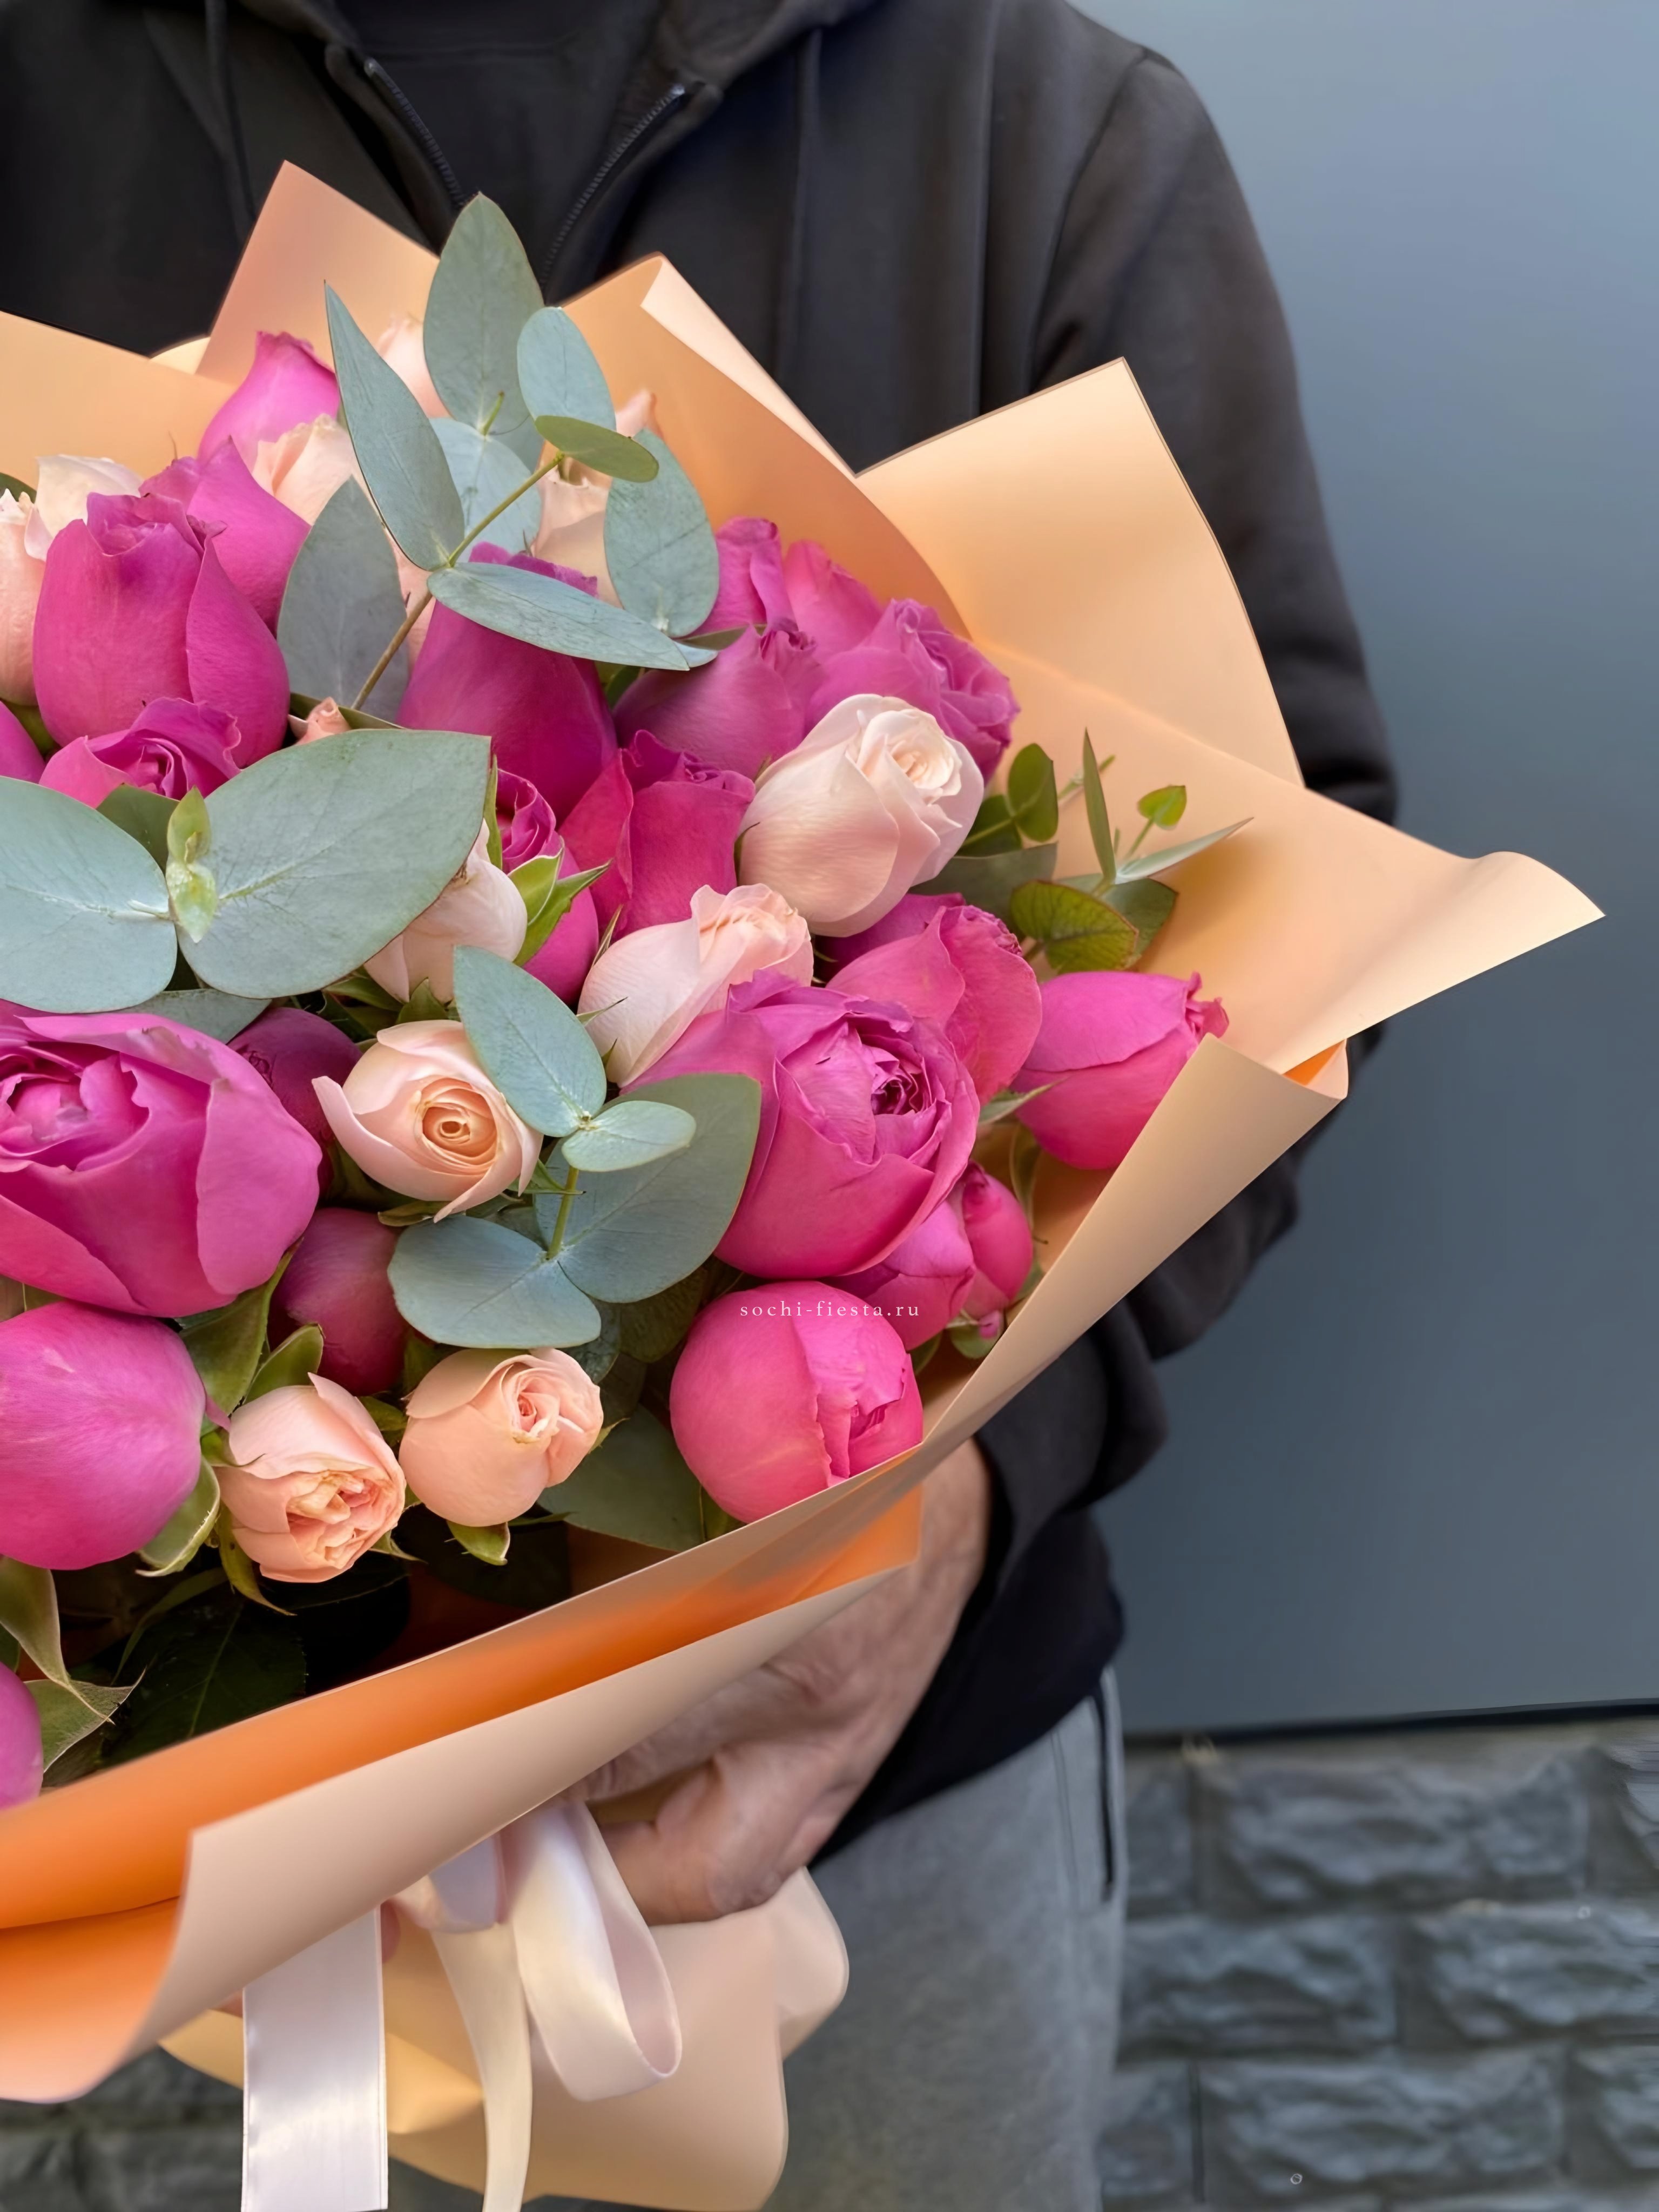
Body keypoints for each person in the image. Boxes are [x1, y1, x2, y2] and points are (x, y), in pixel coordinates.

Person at [0, 3, 1397, 2205]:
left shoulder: (1030, 124)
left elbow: (1286, 915)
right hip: (140, 1812)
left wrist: (971, 1499)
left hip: (870, 1783)